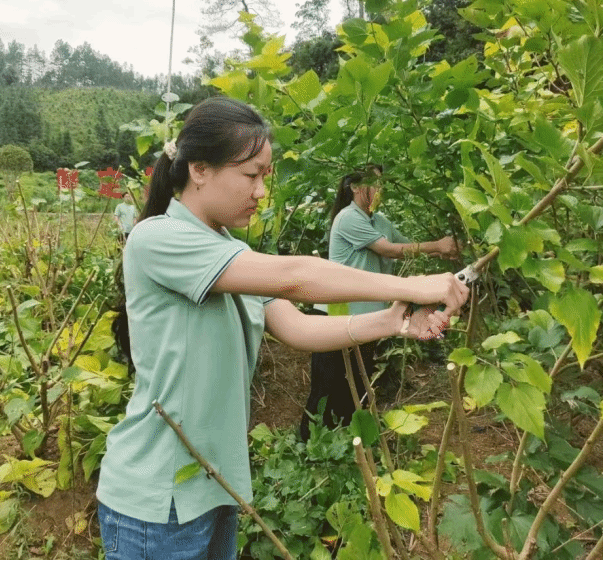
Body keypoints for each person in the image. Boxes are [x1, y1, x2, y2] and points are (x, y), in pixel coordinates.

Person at [96, 97, 469, 560]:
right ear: (199, 169)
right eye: (251, 175)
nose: (260, 193)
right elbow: (297, 276)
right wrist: (412, 284)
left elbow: (296, 327)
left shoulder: (228, 251)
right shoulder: (158, 238)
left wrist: (392, 320)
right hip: (156, 501)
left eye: (265, 177)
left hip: (212, 487)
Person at [300, 165, 461, 441]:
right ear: (355, 187)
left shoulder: (381, 222)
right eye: (374, 182)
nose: (379, 189)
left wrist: (442, 252)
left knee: (357, 383)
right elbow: (389, 250)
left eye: (382, 183)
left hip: (369, 316)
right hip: (338, 313)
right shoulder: (348, 218)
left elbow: (406, 248)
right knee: (327, 384)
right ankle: (309, 443)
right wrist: (437, 245)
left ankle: (347, 443)